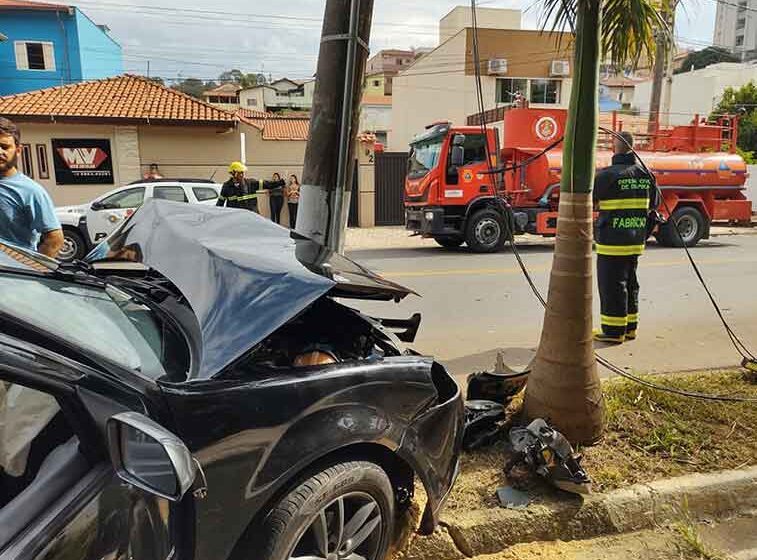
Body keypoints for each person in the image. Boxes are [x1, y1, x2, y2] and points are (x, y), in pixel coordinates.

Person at [593, 131, 659, 344]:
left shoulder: (606, 175)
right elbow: (655, 205)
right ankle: (630, 328)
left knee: (612, 286)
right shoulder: (646, 174)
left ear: (615, 147)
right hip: (636, 239)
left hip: (612, 241)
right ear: (632, 147)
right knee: (631, 283)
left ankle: (613, 332)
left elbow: (589, 202)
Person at [0, 117, 64, 258]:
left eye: (4, 147)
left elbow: (55, 240)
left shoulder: (31, 191)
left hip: (11, 275)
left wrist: (33, 271)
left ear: (18, 150)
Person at [216, 162, 285, 213]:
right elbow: (220, 203)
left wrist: (280, 182)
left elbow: (267, 184)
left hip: (252, 217)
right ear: (234, 173)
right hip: (236, 218)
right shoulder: (227, 186)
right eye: (240, 173)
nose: (242, 175)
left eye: (243, 172)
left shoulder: (250, 183)